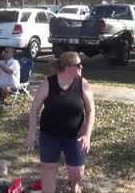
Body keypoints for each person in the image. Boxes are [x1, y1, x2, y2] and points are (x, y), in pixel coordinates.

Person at [27, 52, 95, 193]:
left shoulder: (83, 84)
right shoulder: (48, 83)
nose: (81, 67)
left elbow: (90, 111)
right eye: (78, 65)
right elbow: (34, 109)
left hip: (75, 135)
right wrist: (32, 133)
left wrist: (87, 135)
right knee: (49, 167)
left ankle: (74, 185)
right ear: (67, 67)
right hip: (50, 134)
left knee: (77, 171)